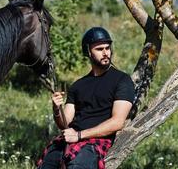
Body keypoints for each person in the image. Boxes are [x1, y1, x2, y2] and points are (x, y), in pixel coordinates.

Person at [37, 27, 135, 169]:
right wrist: (56, 109)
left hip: (95, 142)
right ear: (88, 51)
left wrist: (79, 135)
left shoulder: (122, 80)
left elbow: (117, 122)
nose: (106, 53)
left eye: (107, 48)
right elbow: (64, 123)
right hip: (70, 139)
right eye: (99, 49)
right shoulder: (78, 85)